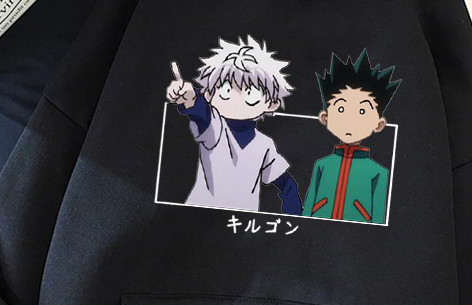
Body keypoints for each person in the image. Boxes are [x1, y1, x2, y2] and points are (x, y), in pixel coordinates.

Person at [166, 35, 302, 214]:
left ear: (271, 103)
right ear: (209, 94)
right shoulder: (215, 128)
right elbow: (202, 115)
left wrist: (295, 214)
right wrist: (190, 98)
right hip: (199, 217)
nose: (237, 99)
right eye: (226, 90)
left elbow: (285, 182)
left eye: (251, 93)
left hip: (238, 223)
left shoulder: (264, 144)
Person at [302, 49, 400, 224]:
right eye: (340, 109)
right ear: (325, 117)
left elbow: (378, 218)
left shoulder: (378, 172)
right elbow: (308, 206)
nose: (350, 119)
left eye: (362, 111)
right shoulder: (322, 165)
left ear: (379, 124)